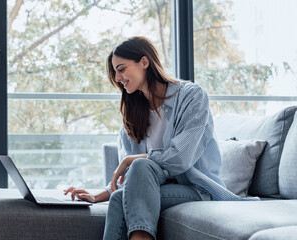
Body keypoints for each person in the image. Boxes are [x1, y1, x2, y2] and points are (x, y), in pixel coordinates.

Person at [64, 36, 258, 240]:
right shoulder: (133, 115)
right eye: (115, 72)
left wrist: (132, 160)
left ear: (144, 62)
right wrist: (96, 196)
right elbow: (132, 181)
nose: (118, 78)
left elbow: (180, 159)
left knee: (138, 168)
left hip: (196, 189)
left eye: (121, 69)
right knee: (121, 194)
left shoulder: (192, 97)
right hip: (150, 187)